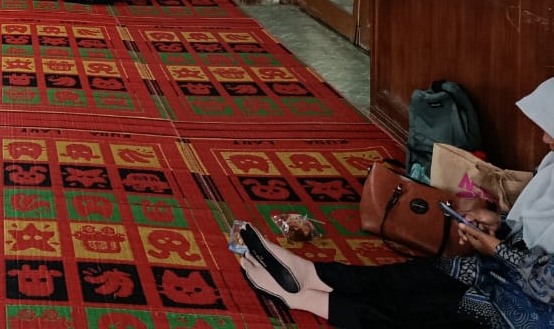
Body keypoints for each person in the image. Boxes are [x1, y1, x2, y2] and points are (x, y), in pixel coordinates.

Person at [236, 76, 554, 328]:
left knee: (428, 310)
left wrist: (495, 248)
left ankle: (304, 297)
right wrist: (498, 224)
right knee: (420, 276)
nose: (545, 138)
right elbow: (535, 229)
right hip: (507, 273)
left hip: (531, 313)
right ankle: (312, 274)